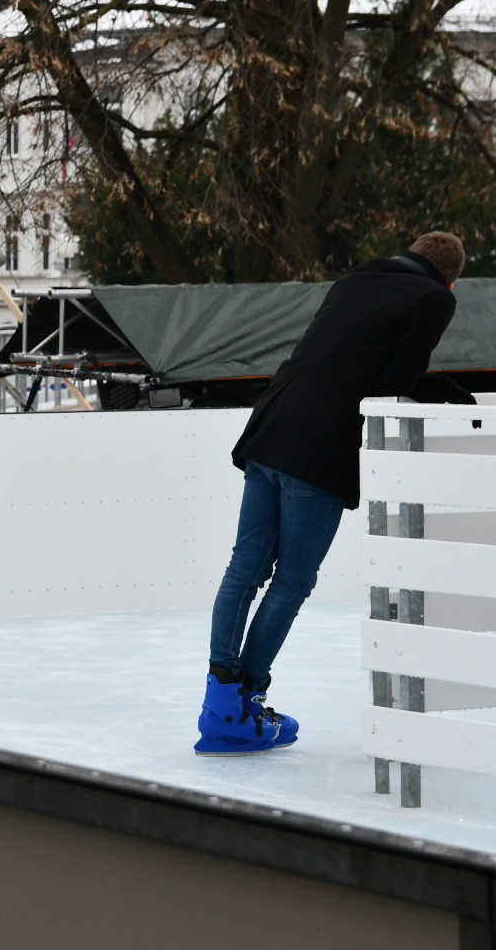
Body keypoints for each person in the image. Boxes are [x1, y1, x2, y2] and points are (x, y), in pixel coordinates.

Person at [198, 231, 474, 756]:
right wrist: (434, 385)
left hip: (272, 426)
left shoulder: (359, 275)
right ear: (452, 277)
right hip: (319, 450)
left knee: (244, 570)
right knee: (293, 580)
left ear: (411, 251)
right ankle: (245, 702)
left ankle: (221, 702)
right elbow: (395, 376)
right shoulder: (436, 298)